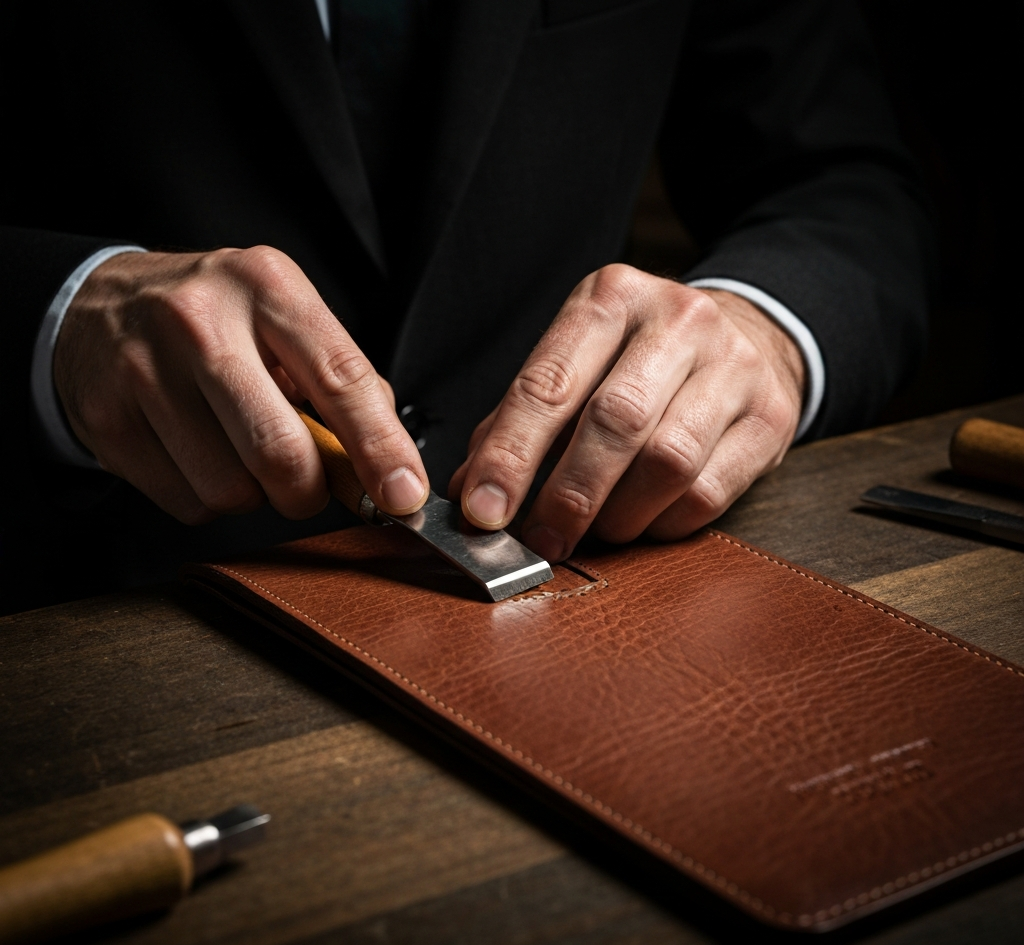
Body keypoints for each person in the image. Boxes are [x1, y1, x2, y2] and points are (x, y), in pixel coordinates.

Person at [0, 0, 933, 612]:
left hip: (596, 573)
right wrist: (56, 316)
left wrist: (765, 327)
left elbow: (838, 183)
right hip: (91, 610)